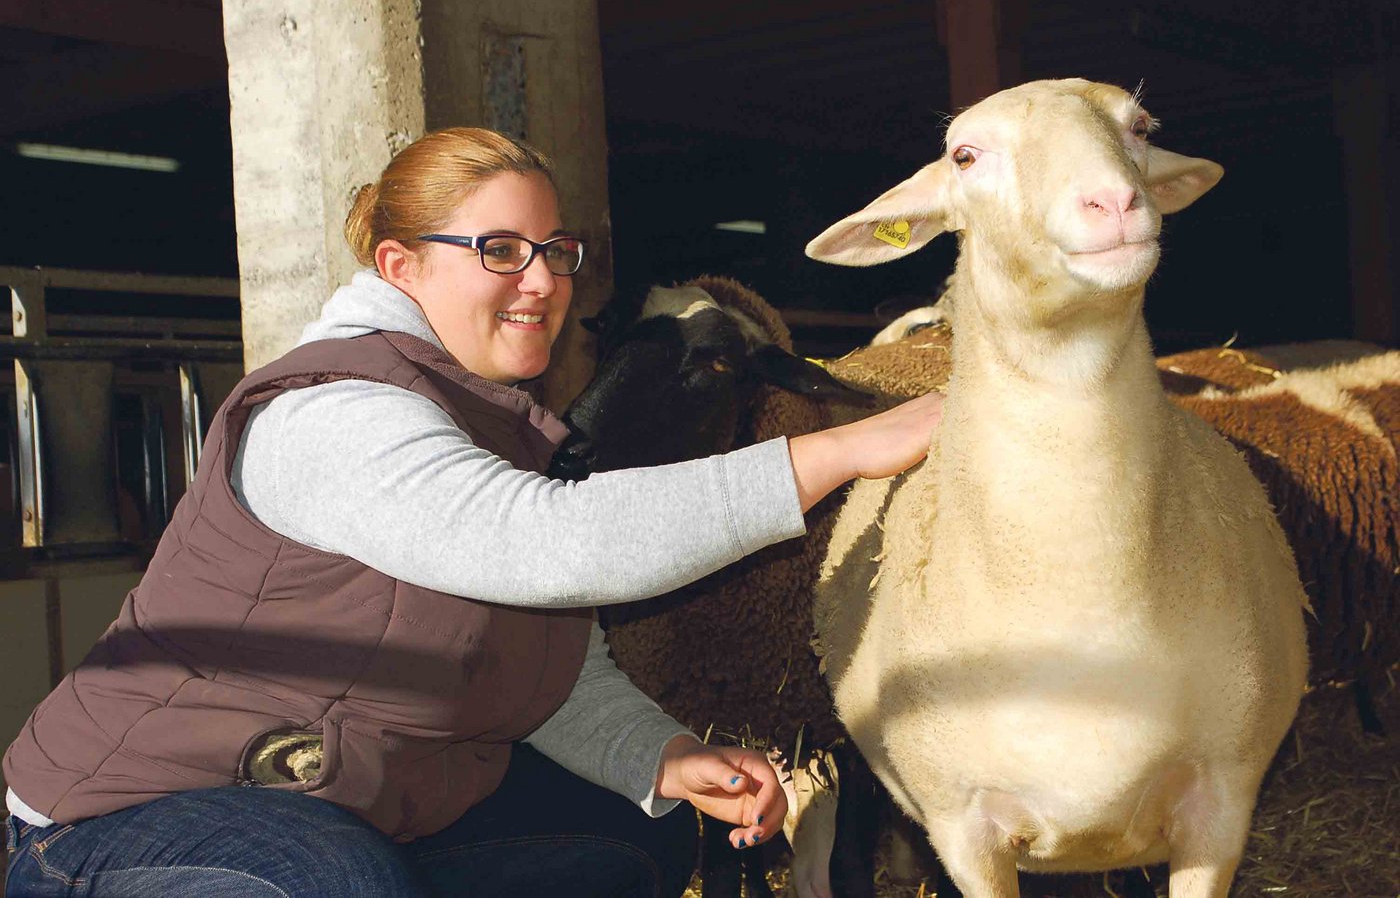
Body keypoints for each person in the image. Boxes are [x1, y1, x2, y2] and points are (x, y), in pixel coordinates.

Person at [3, 128, 944, 897]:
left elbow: (536, 657)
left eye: (556, 251)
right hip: (123, 820)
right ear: (399, 265)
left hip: (339, 798)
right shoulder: (332, 414)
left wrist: (657, 755)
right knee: (330, 883)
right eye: (498, 250)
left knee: (627, 842)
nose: (542, 280)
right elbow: (544, 544)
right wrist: (840, 450)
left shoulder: (493, 426)